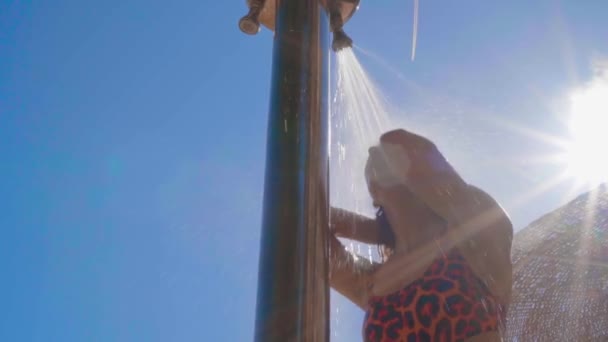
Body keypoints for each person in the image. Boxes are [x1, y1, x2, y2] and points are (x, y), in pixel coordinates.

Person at [329, 129, 513, 341]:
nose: (373, 150)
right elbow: (309, 226)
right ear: (373, 194)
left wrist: (376, 230)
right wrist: (377, 230)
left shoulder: (474, 236)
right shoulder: (372, 283)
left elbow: (400, 141)